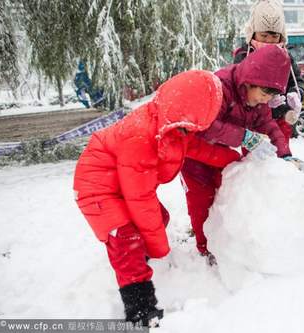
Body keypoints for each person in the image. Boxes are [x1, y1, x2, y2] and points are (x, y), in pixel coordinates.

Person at [73, 70, 240, 326]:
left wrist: (235, 160)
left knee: (158, 219)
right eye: (188, 128)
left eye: (193, 129)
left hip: (122, 182)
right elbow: (140, 198)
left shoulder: (175, 129)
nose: (189, 134)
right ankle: (141, 311)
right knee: (126, 238)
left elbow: (200, 149)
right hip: (97, 187)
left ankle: (139, 260)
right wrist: (158, 248)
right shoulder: (141, 133)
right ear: (179, 110)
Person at [182, 45, 304, 257]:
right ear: (249, 80)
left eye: (269, 97)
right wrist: (243, 136)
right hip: (195, 149)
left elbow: (269, 126)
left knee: (226, 193)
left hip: (222, 152)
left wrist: (285, 155)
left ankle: (227, 244)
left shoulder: (259, 100)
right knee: (201, 199)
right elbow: (206, 125)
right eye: (262, 94)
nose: (264, 101)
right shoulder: (221, 86)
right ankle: (205, 248)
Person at [233, 0, 304, 142]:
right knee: (254, 161)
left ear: (281, 36)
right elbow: (237, 89)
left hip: (281, 120)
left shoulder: (286, 58)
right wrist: (264, 101)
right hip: (253, 123)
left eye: (274, 37)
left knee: (280, 158)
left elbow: (297, 81)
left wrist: (296, 93)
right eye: (264, 36)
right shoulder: (244, 56)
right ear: (253, 34)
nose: (269, 41)